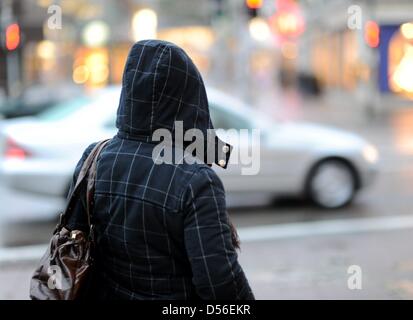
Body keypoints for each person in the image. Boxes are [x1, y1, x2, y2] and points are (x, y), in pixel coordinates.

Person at [66, 40, 254, 300]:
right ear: (190, 98)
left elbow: (75, 239)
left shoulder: (95, 157)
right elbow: (219, 283)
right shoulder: (196, 180)